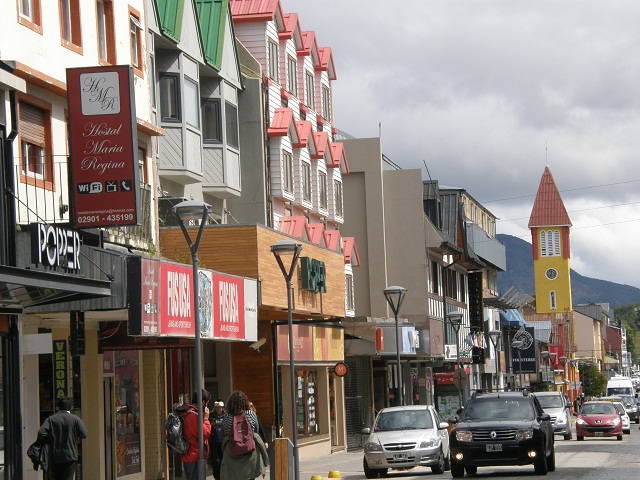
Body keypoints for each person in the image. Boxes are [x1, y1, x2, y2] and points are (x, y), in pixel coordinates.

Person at [37, 397, 88, 480]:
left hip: (56, 455)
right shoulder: (75, 419)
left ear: (58, 407)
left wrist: (50, 439)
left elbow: (41, 433)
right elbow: (84, 434)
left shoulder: (51, 419)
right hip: (70, 455)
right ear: (70, 407)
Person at [221, 391, 269, 480]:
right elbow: (255, 430)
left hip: (233, 452)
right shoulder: (251, 414)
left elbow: (226, 432)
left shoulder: (227, 416)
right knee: (250, 476)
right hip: (249, 452)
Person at [177, 389, 212, 480]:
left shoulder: (188, 412)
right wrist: (206, 419)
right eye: (207, 403)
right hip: (194, 455)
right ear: (203, 402)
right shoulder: (192, 415)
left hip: (190, 454)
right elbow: (204, 433)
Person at [209, 399, 227, 480]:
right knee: (216, 462)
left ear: (222, 407)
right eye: (216, 407)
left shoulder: (226, 416)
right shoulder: (211, 416)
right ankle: (217, 477)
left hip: (224, 442)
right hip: (214, 442)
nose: (218, 409)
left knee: (224, 460)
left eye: (219, 407)